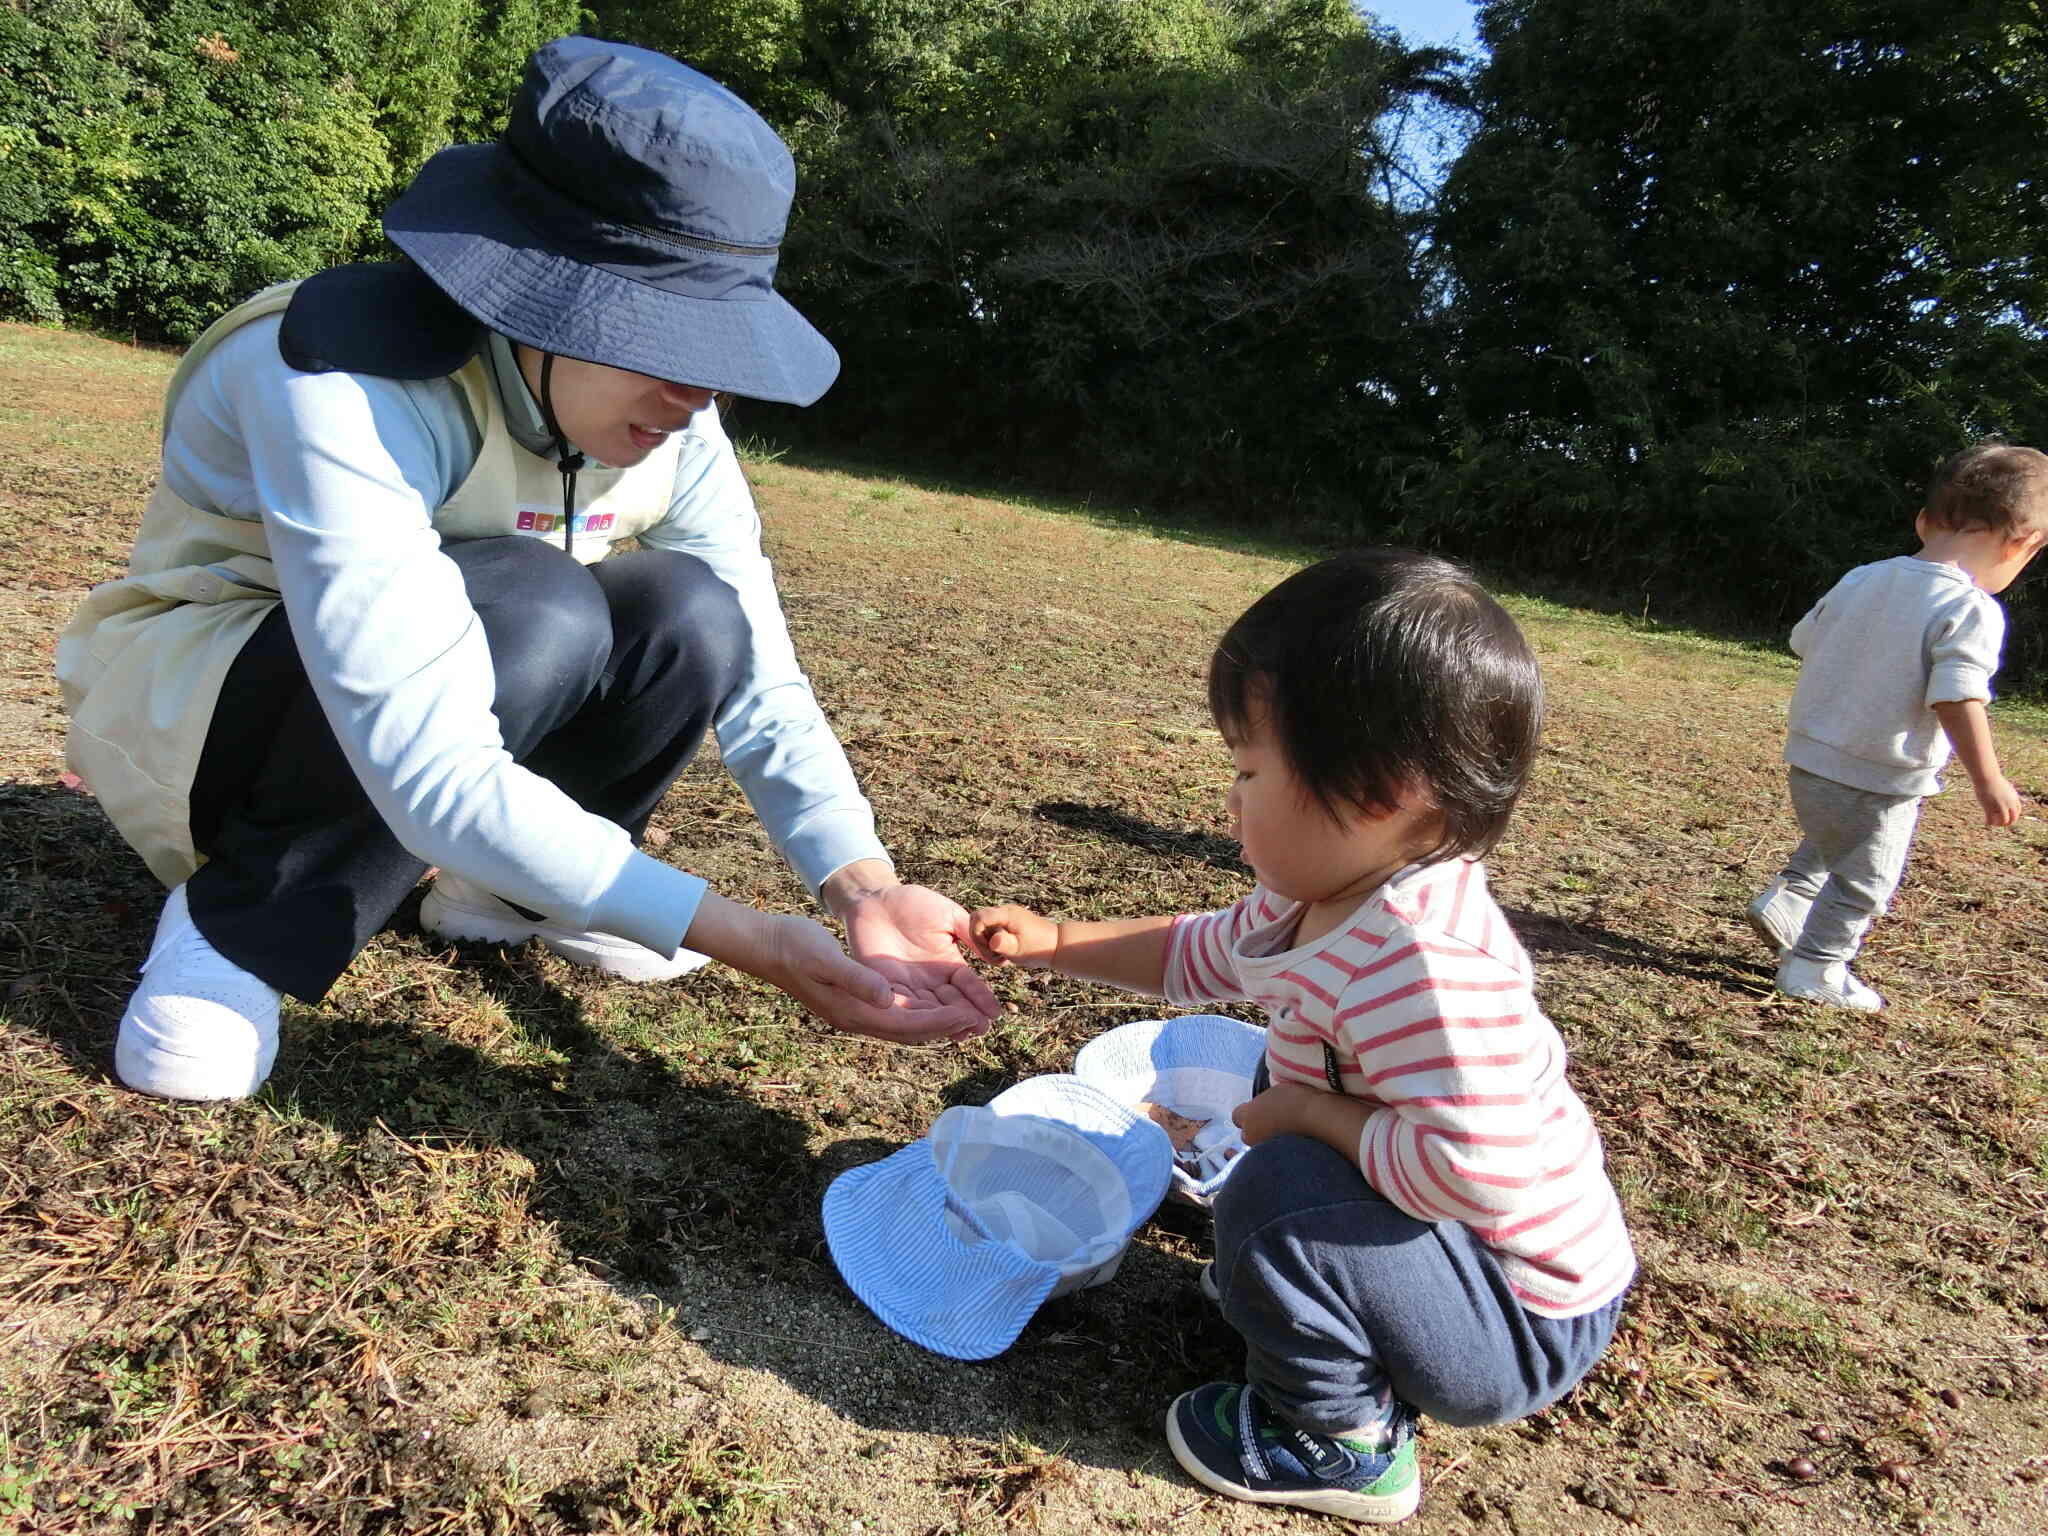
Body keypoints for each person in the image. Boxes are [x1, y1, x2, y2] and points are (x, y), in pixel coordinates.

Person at [55, 36, 999, 1103]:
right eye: (667, 340)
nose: (699, 397)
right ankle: (248, 921)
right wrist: (748, 938)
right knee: (535, 603)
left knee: (694, 611)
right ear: (538, 299)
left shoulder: (676, 424)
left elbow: (758, 679)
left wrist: (859, 884)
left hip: (454, 699)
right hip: (214, 707)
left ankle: (509, 898)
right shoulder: (340, 371)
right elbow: (426, 751)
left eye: (719, 356)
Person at [969, 550, 1634, 1526]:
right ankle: (1326, 1300)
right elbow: (1203, 954)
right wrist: (1058, 943)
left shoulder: (1425, 964)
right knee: (1273, 1149)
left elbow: (1464, 1172)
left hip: (1519, 1321)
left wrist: (1304, 1113)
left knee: (1276, 1186)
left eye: (1248, 769)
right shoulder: (1322, 899)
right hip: (1462, 1259)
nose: (1229, 801)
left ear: (1379, 791)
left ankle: (1340, 1440)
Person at [1746, 442, 2048, 1011]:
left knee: (1836, 834)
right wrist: (1990, 779)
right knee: (1867, 878)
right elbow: (1958, 696)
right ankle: (1816, 966)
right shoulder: (1973, 608)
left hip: (1809, 756)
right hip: (1881, 774)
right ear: (2021, 545)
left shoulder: (1863, 577)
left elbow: (1802, 641)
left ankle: (1791, 895)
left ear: (1923, 521)